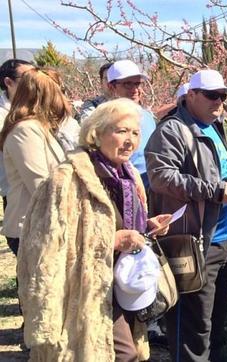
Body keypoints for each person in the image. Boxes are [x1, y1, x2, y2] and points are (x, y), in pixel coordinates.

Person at [17, 98, 171, 360]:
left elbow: (117, 221)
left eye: (135, 133)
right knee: (122, 355)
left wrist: (146, 227)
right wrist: (111, 241)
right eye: (121, 131)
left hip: (123, 283)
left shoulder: (128, 174)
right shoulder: (67, 178)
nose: (129, 140)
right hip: (84, 291)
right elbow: (43, 246)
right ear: (96, 133)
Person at [145, 69, 227, 361]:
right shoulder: (171, 130)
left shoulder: (215, 125)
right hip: (192, 240)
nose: (219, 101)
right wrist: (214, 191)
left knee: (214, 319)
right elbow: (161, 177)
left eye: (223, 96)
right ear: (191, 95)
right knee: (191, 323)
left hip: (219, 238)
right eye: (212, 95)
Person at [0, 68, 69, 257]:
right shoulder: (25, 131)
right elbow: (41, 185)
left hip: (46, 223)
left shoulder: (41, 127)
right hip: (31, 228)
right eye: (58, 92)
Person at [106, 59, 156, 188]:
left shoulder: (147, 117)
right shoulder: (105, 120)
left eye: (137, 84)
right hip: (122, 189)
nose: (135, 90)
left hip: (151, 190)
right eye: (128, 84)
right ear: (111, 87)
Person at [0, 59, 35, 211]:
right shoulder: (1, 114)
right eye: (27, 77)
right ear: (8, 82)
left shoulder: (38, 107)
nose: (34, 82)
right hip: (14, 190)